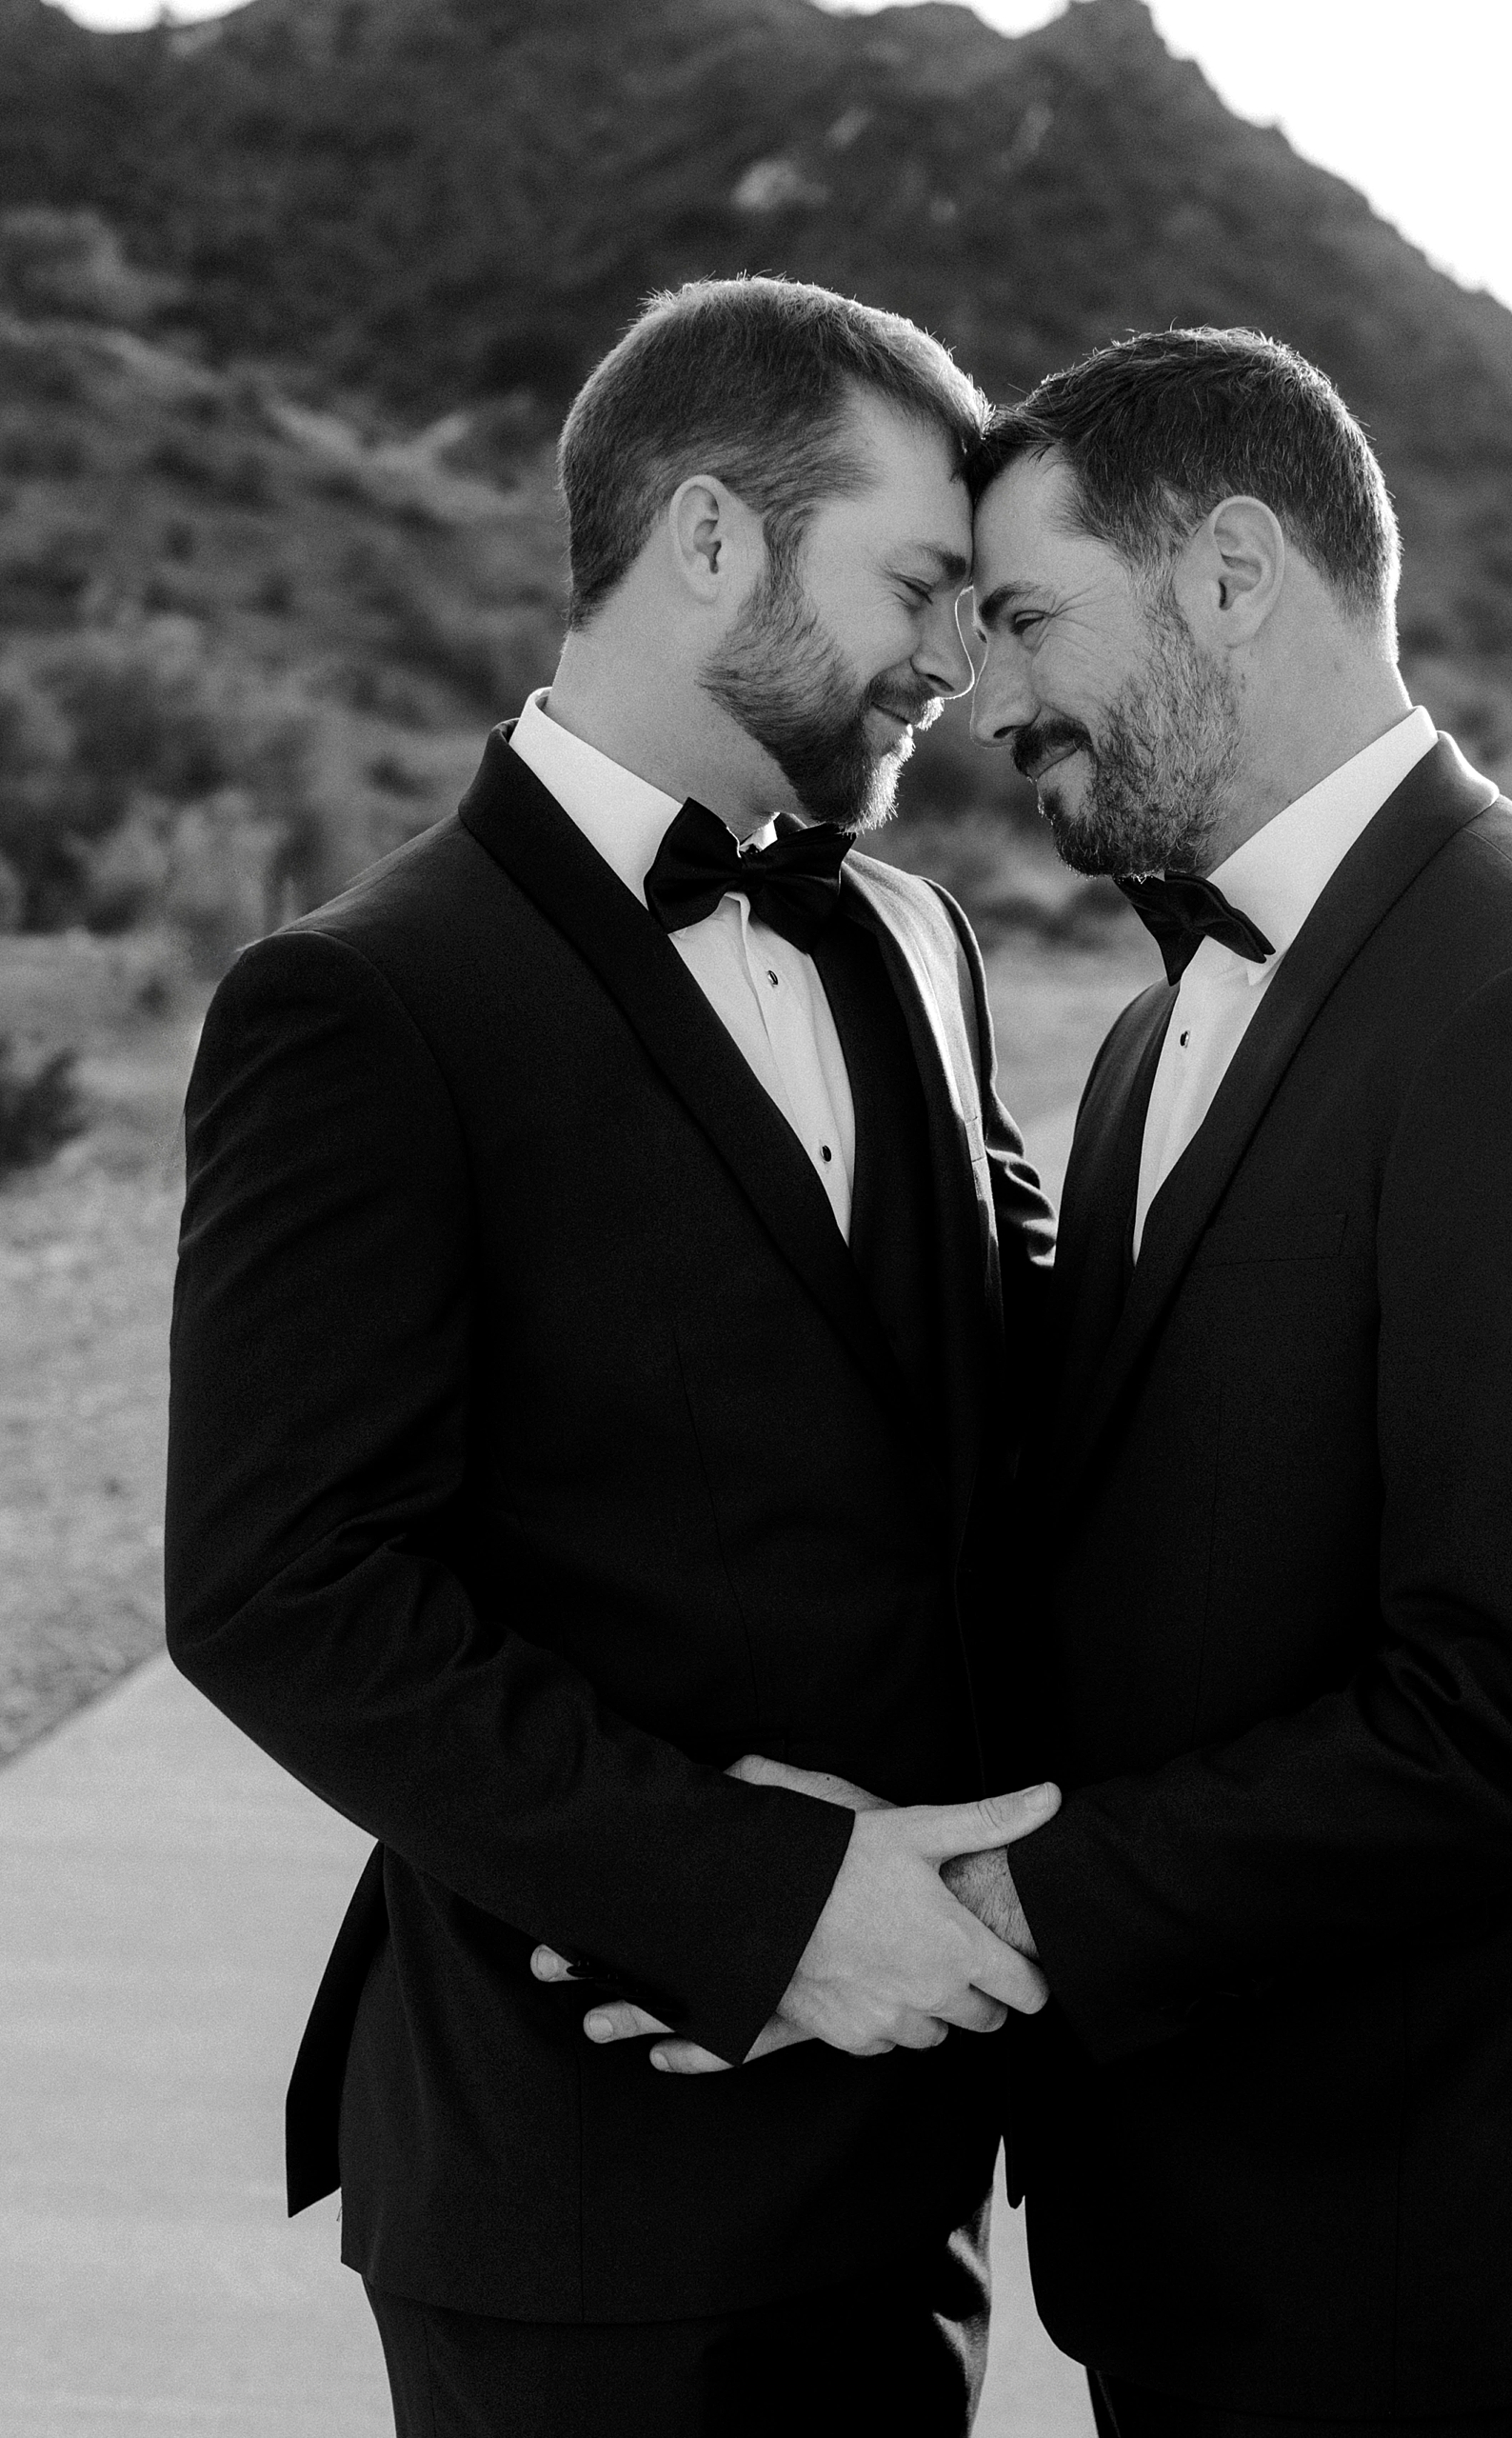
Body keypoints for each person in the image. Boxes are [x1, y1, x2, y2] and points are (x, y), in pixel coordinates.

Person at [165, 275, 1058, 2438]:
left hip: (904, 2156)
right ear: (709, 541)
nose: (954, 658)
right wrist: (740, 1904)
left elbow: (1022, 1374)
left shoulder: (909, 936)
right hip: (581, 2186)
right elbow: (282, 1589)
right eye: (919, 583)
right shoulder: (362, 1003)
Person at [951, 327, 1512, 2437]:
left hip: (1412, 2253)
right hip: (1208, 2211)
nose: (991, 700)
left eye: (1030, 617)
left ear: (1231, 569)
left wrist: (997, 1906)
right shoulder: (1163, 1020)